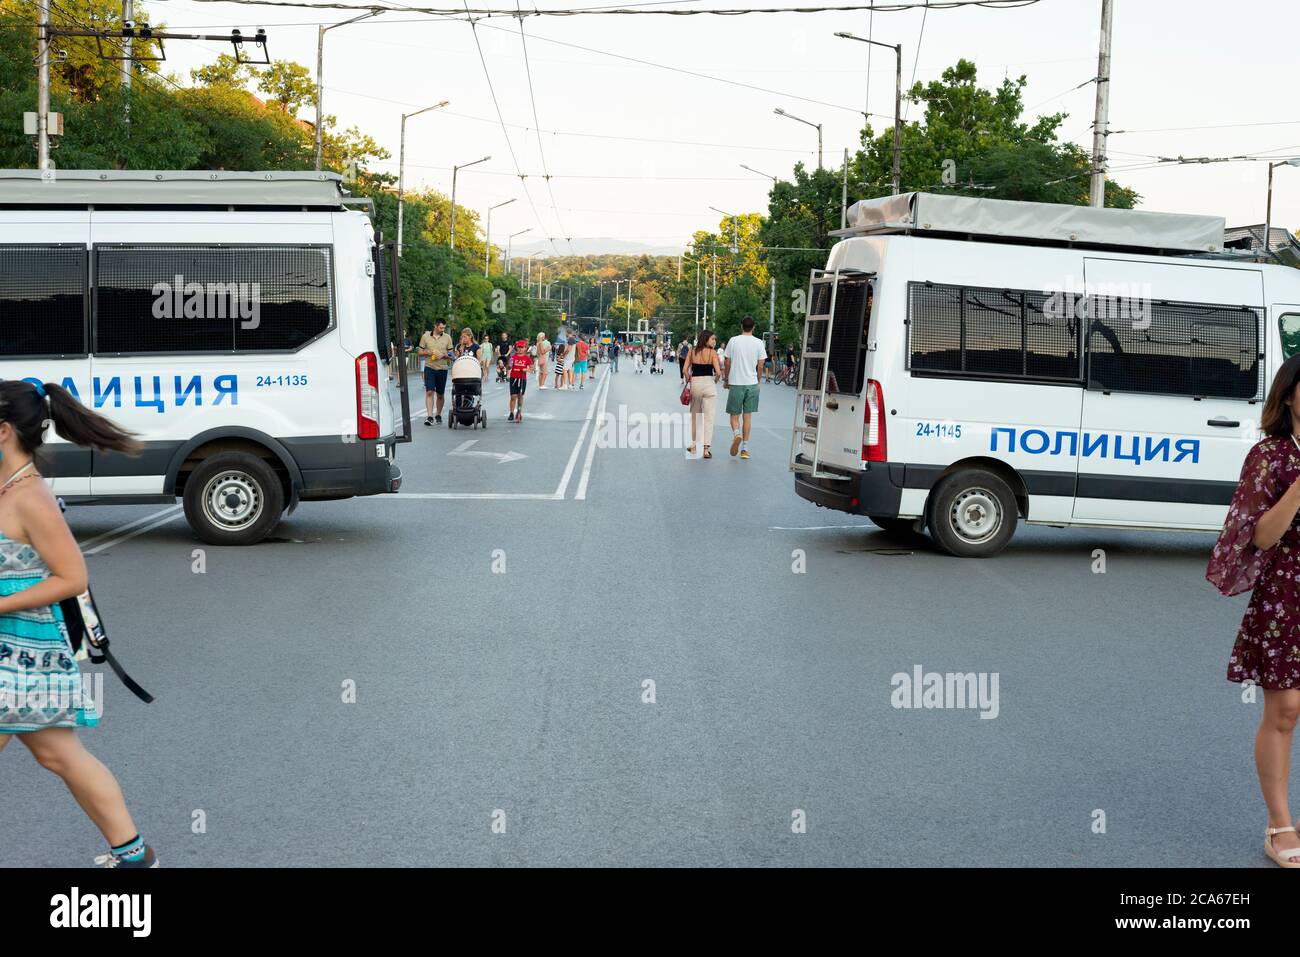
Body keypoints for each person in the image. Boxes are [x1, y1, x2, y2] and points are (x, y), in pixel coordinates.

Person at [0, 380, 160, 868]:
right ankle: (134, 857)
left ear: (3, 431)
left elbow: (72, 577)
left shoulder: (32, 497)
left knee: (61, 753)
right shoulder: (8, 486)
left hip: (21, 648)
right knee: (59, 754)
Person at [1213, 355, 1300, 867]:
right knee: (1286, 710)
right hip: (1287, 589)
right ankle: (1280, 825)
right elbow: (1262, 535)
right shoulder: (1269, 456)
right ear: (1289, 395)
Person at [723, 316, 767, 460]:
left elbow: (727, 361)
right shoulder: (759, 343)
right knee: (747, 417)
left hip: (736, 383)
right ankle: (745, 449)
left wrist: (726, 379)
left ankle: (737, 434)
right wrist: (758, 381)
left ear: (741, 326)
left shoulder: (733, 341)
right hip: (752, 383)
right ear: (753, 327)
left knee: (734, 417)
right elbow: (761, 365)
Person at [684, 329, 722, 460]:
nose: (714, 341)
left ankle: (694, 445)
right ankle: (706, 450)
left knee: (695, 417)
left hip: (696, 384)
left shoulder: (692, 351)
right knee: (709, 418)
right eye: (713, 339)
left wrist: (689, 379)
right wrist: (714, 381)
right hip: (709, 384)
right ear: (706, 339)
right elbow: (718, 372)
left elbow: (685, 370)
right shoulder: (713, 353)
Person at [418, 320, 453, 425]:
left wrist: (443, 355)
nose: (443, 330)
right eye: (441, 328)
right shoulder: (425, 336)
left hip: (442, 368)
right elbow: (419, 352)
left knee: (440, 394)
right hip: (429, 367)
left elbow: (451, 354)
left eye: (444, 328)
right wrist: (427, 352)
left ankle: (438, 414)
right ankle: (429, 416)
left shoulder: (447, 337)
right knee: (429, 391)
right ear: (435, 326)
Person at [507, 339, 534, 422]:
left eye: (522, 347)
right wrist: (509, 369)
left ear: (525, 348)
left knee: (520, 396)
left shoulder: (527, 358)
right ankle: (511, 412)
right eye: (518, 347)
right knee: (513, 396)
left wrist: (527, 369)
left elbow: (532, 368)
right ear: (516, 348)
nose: (520, 349)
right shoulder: (513, 357)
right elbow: (509, 366)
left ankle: (519, 411)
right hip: (514, 378)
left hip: (522, 378)